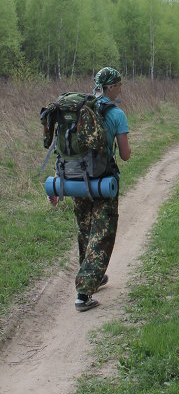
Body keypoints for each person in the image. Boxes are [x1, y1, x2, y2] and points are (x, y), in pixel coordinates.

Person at [48, 67, 131, 312]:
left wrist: (57, 180)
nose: (121, 88)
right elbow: (125, 155)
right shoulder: (116, 113)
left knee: (85, 230)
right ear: (111, 87)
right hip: (103, 182)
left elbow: (64, 149)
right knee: (102, 234)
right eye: (119, 84)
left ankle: (94, 275)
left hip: (74, 179)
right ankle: (83, 293)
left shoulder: (77, 110)